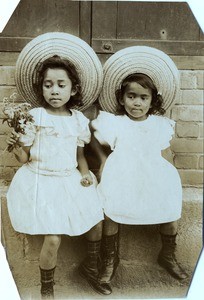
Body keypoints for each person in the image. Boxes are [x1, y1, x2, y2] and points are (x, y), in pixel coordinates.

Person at [5, 32, 109, 299]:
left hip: (67, 178)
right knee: (53, 238)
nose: (54, 90)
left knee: (96, 220)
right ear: (41, 88)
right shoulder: (33, 117)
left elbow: (79, 157)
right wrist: (17, 144)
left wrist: (85, 176)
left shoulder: (77, 121)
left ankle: (91, 266)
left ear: (73, 89)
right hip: (39, 179)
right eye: (48, 85)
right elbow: (24, 159)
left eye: (61, 85)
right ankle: (47, 286)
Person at [89, 46, 188, 292]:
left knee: (170, 207)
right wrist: (102, 162)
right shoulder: (114, 122)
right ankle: (110, 259)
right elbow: (91, 136)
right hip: (123, 174)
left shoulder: (159, 125)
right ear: (122, 99)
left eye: (143, 98)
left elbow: (165, 153)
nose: (137, 102)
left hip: (152, 175)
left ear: (152, 100)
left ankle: (168, 255)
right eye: (131, 96)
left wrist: (171, 177)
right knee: (111, 209)